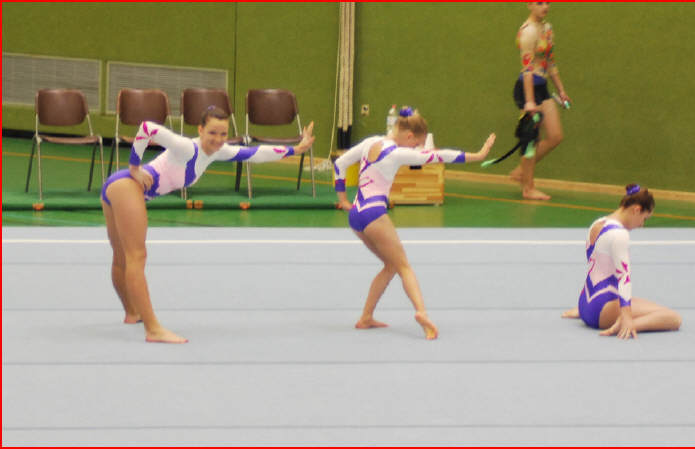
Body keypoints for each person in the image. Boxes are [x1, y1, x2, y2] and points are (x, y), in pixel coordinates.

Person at [101, 106, 315, 343]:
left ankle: (132, 313)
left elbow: (256, 153)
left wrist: (297, 149)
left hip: (116, 188)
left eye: (223, 134)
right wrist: (134, 167)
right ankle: (153, 329)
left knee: (122, 256)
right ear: (200, 130)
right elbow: (146, 128)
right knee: (136, 256)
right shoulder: (185, 147)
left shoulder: (218, 152)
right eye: (212, 132)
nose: (218, 139)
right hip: (128, 186)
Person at [334, 107, 496, 340]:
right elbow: (441, 156)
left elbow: (340, 163)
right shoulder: (397, 153)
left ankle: (366, 317)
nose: (415, 149)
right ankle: (421, 312)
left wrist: (342, 199)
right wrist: (478, 156)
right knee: (404, 267)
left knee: (390, 266)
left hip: (356, 216)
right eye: (416, 144)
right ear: (409, 136)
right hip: (374, 214)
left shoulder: (370, 142)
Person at [561, 185, 682, 339]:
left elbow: (595, 266)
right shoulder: (619, 234)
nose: (641, 225)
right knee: (673, 318)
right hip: (603, 309)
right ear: (636, 210)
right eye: (644, 218)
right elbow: (624, 277)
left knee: (649, 307)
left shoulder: (598, 223)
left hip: (584, 304)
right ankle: (624, 324)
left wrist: (586, 307)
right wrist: (627, 317)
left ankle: (605, 313)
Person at [509, 1, 571, 200]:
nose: (545, 6)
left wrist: (561, 90)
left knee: (555, 136)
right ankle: (528, 188)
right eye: (539, 3)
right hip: (527, 89)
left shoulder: (547, 28)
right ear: (529, 5)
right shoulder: (527, 32)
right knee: (530, 139)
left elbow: (550, 62)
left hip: (542, 87)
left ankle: (522, 171)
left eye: (547, 2)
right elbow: (527, 69)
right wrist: (529, 102)